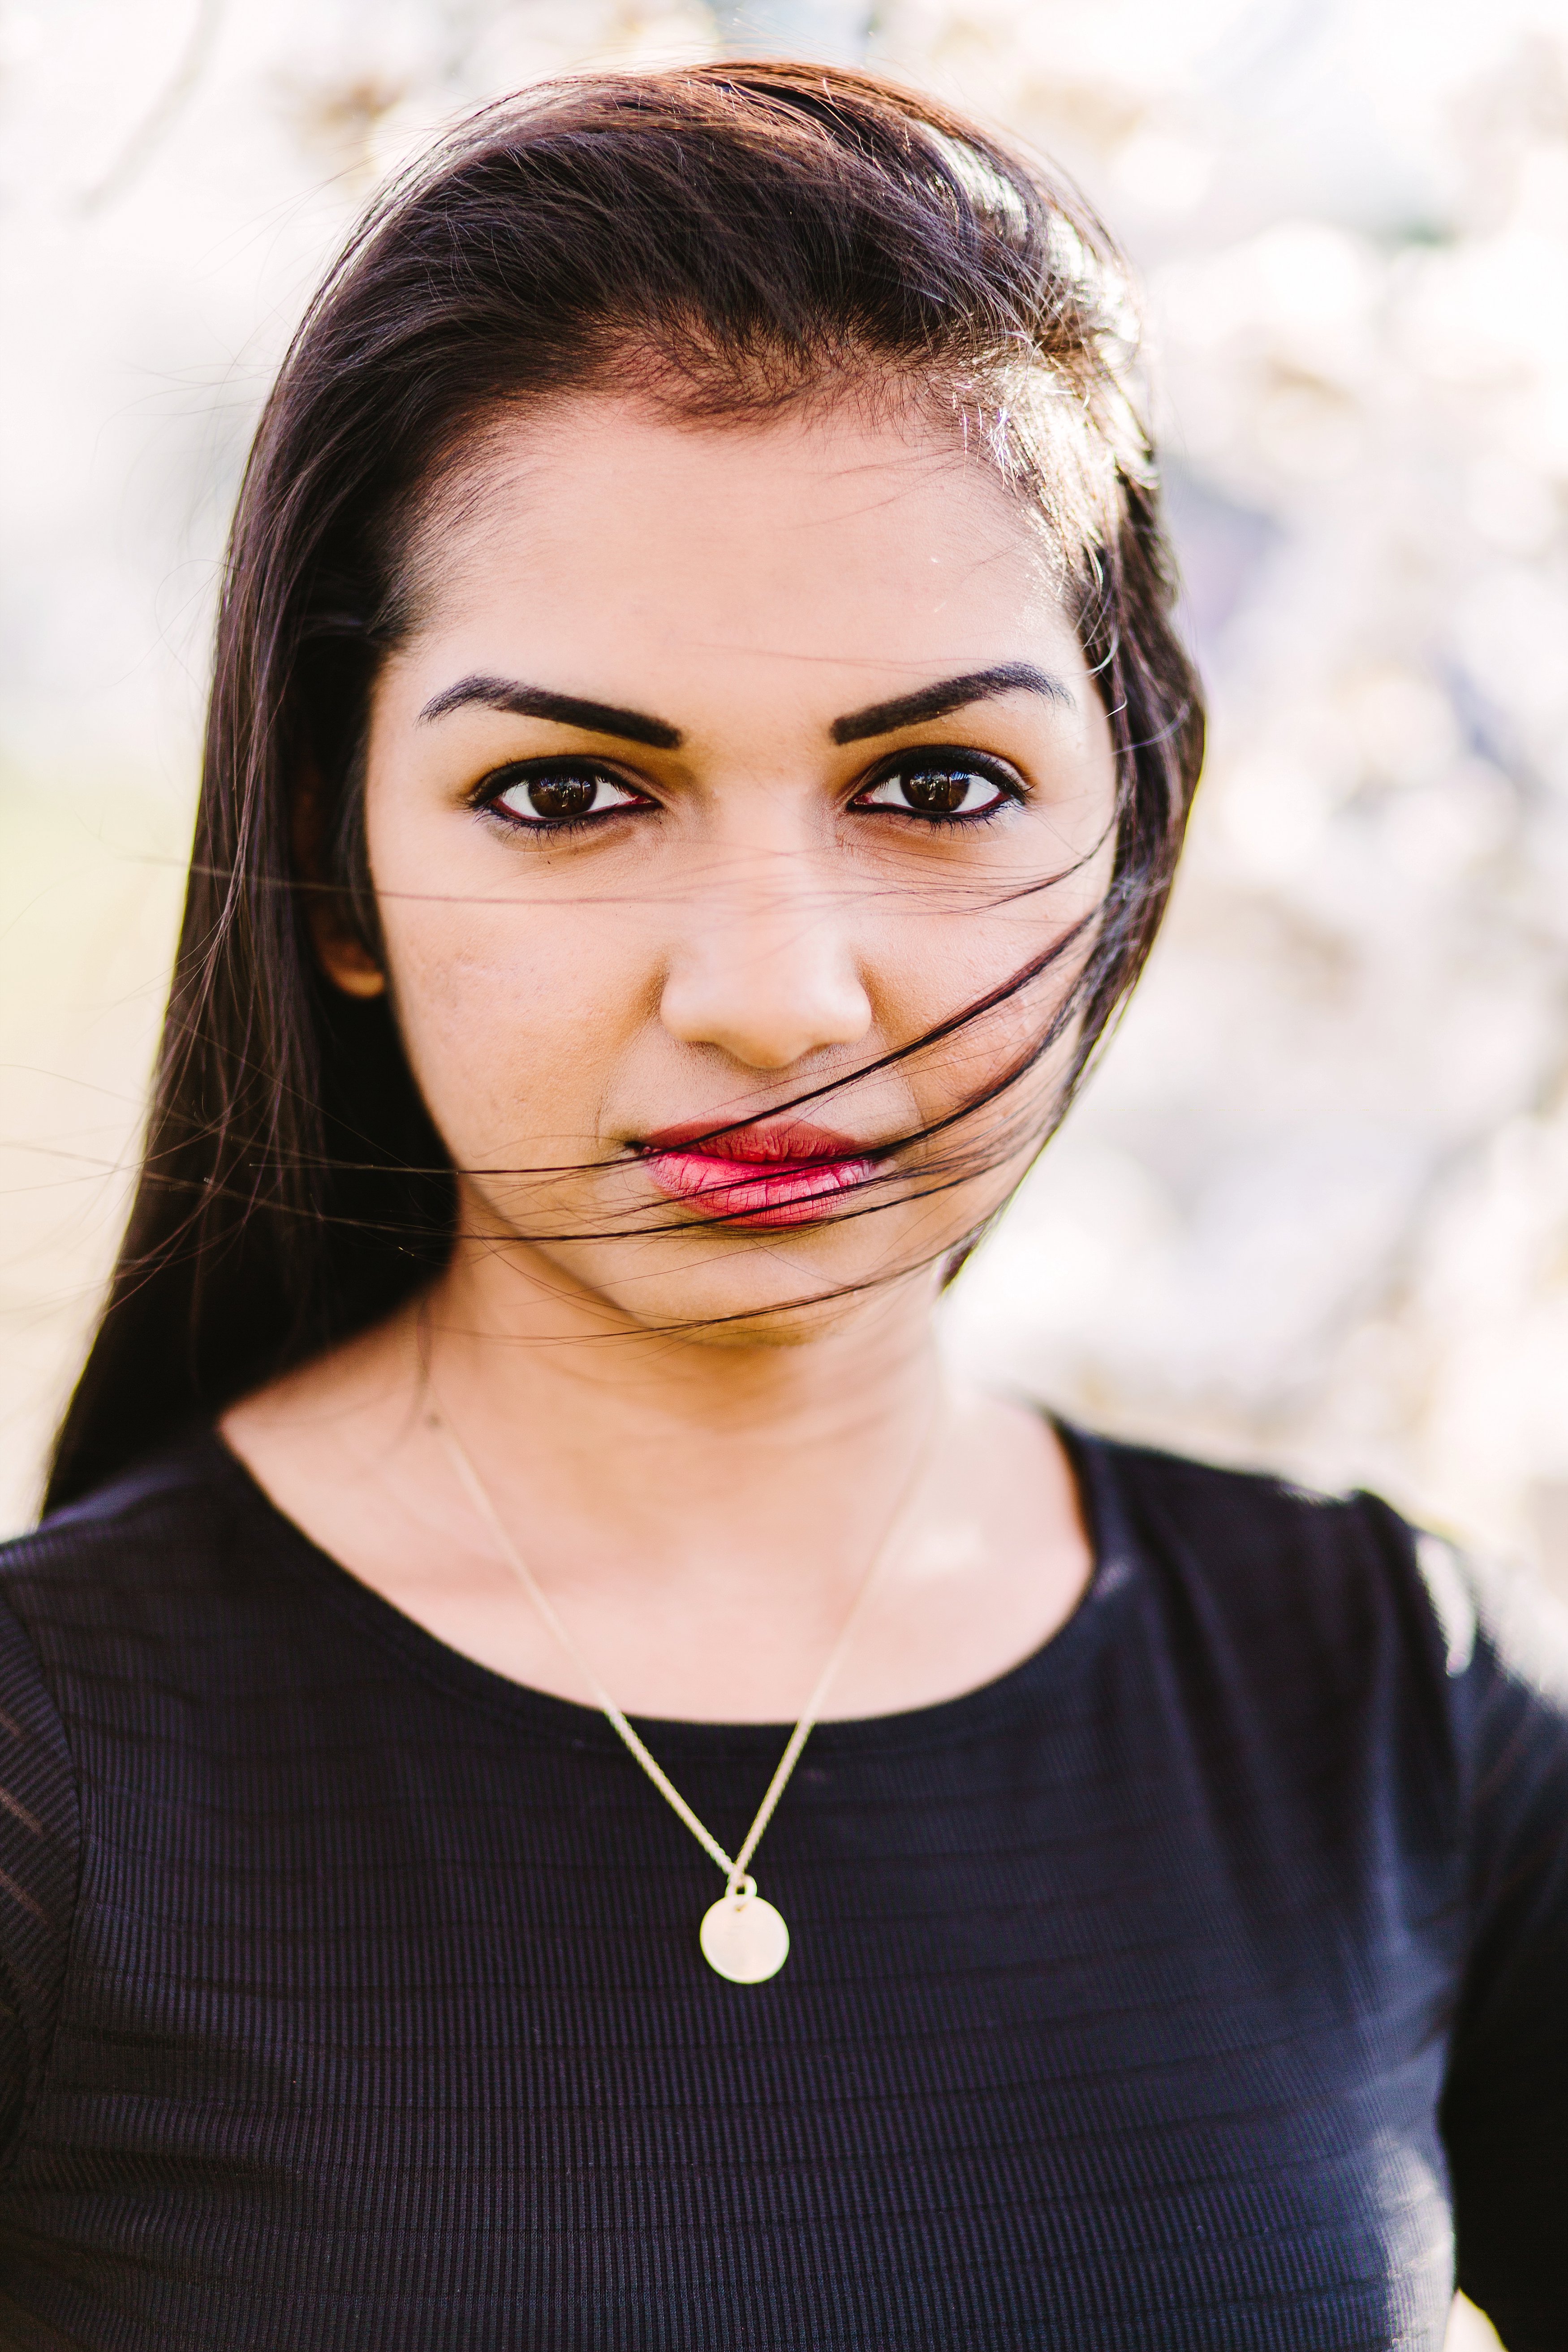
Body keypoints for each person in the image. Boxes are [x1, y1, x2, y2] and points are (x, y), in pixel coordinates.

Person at [0, 59, 1561, 2352]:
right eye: (565, 790)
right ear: (333, 860)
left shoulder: (1367, 1702)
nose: (768, 992)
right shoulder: (53, 1779)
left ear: (1129, 837)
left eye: (934, 783)